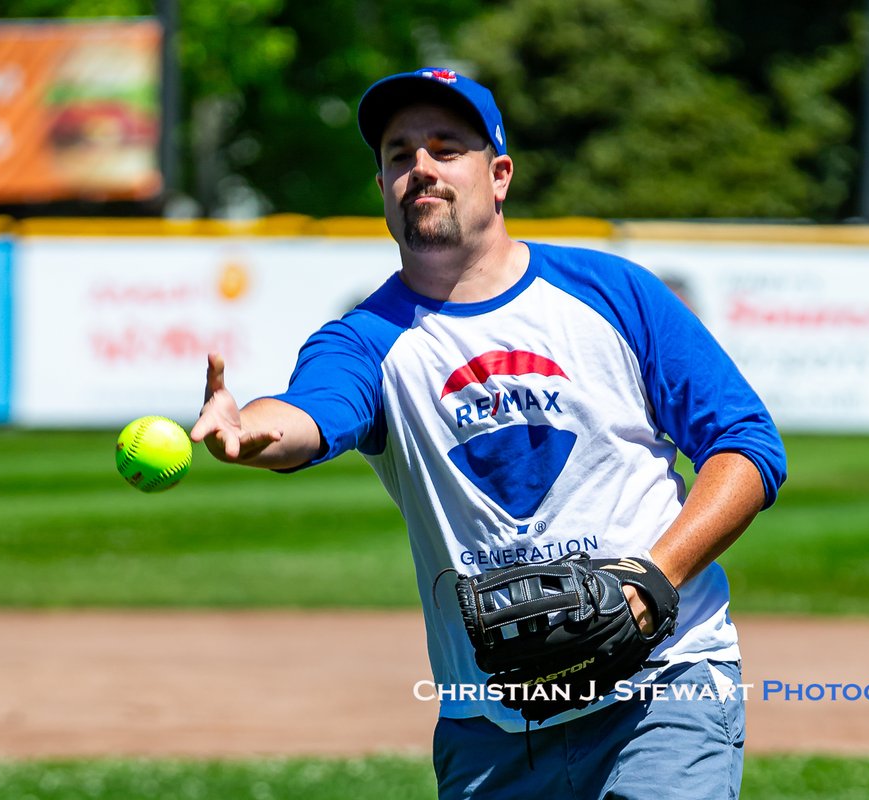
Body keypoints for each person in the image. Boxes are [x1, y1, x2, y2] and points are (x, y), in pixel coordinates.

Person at [191, 67, 787, 800]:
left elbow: (747, 444)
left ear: (499, 175)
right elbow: (311, 414)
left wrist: (651, 580)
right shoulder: (366, 340)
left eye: (446, 148)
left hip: (663, 686)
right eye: (399, 154)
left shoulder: (612, 293)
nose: (421, 169)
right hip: (492, 726)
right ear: (381, 188)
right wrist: (250, 429)